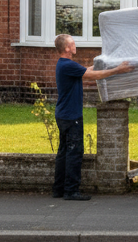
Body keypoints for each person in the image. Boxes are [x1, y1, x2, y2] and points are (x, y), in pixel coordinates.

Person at [52, 33, 133, 201]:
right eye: (72, 43)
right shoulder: (67, 65)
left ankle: (59, 189)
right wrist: (118, 70)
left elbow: (88, 70)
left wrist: (104, 63)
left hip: (63, 114)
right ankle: (71, 191)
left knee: (64, 152)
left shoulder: (65, 65)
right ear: (67, 48)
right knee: (74, 153)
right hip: (71, 116)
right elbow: (93, 76)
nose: (75, 45)